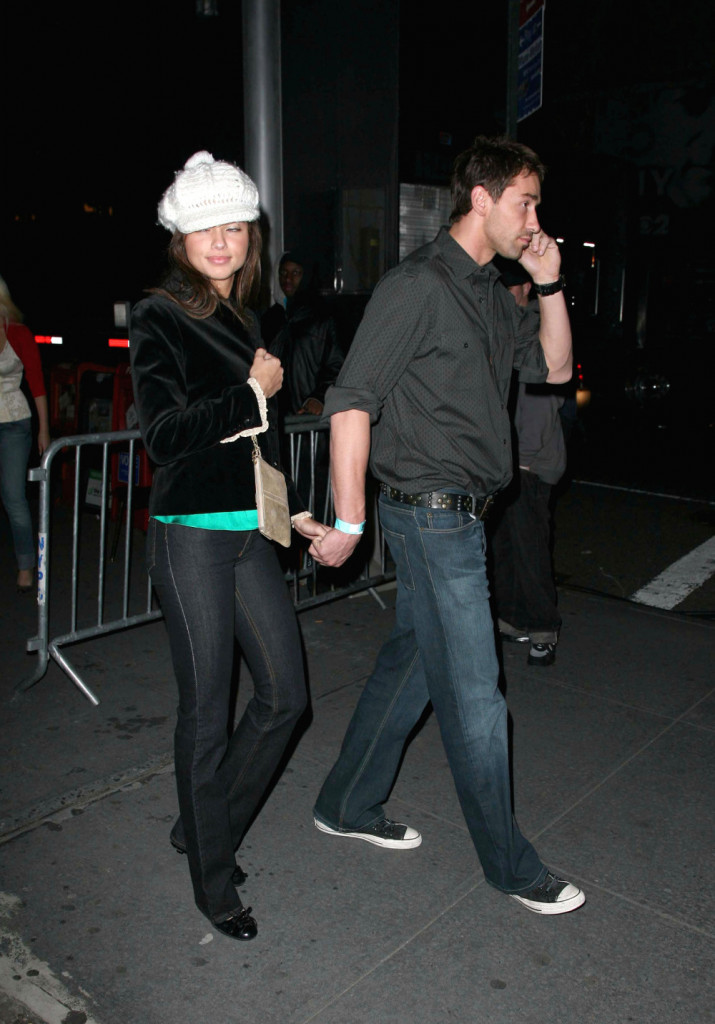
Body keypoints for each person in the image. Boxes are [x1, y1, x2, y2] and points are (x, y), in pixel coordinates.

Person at [307, 136, 585, 915]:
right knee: (476, 698)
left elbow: (555, 370)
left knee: (412, 667)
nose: (534, 219)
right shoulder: (417, 286)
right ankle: (510, 866)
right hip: (430, 517)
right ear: (481, 198)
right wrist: (349, 520)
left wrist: (549, 283)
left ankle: (345, 803)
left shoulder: (490, 294)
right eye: (525, 202)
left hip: (464, 517)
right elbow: (351, 402)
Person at [129, 152, 329, 941]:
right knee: (207, 713)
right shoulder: (160, 314)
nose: (221, 241)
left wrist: (294, 510)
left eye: (235, 227)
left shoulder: (246, 319)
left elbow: (261, 439)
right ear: (181, 238)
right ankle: (212, 880)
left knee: (286, 698)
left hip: (250, 533)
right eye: (205, 228)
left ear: (251, 236)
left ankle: (202, 824)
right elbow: (164, 435)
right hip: (191, 538)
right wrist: (251, 393)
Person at [490, 259, 567, 667]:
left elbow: (541, 400)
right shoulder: (510, 325)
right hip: (507, 458)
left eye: (507, 288)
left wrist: (524, 460)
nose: (501, 295)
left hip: (529, 462)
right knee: (504, 544)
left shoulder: (539, 326)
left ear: (523, 289)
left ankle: (542, 628)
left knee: (530, 546)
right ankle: (512, 617)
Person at [0, 277, 50, 593]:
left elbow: (37, 383)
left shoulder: (18, 333)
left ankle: (25, 564)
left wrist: (44, 429)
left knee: (13, 495)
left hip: (14, 422)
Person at [260, 250, 343, 418]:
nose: (288, 279)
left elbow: (337, 365)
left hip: (308, 417)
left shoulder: (322, 316)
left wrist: (319, 397)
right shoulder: (271, 318)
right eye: (283, 273)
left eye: (295, 273)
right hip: (276, 416)